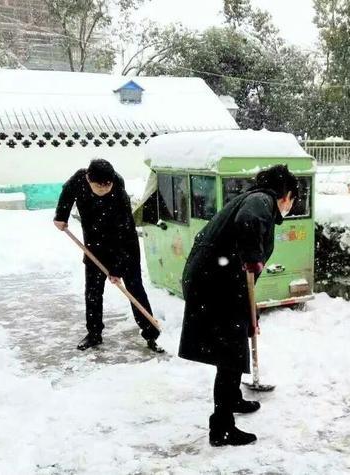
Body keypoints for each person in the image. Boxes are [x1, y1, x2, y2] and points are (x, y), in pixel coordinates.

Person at [178, 164, 298, 447]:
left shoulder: (255, 199)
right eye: (294, 199)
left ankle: (232, 399)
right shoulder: (262, 200)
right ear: (287, 194)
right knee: (229, 350)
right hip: (215, 284)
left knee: (236, 338)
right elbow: (247, 222)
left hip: (216, 280)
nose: (292, 205)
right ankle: (221, 428)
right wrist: (253, 257)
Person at [53, 159, 164, 353]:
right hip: (94, 245)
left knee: (134, 288)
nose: (104, 189)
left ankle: (151, 334)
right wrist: (61, 216)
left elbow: (124, 230)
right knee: (93, 292)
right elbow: (67, 193)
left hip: (124, 244)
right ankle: (94, 334)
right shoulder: (79, 179)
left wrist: (116, 269)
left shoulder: (118, 190)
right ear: (88, 179)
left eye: (108, 185)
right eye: (99, 186)